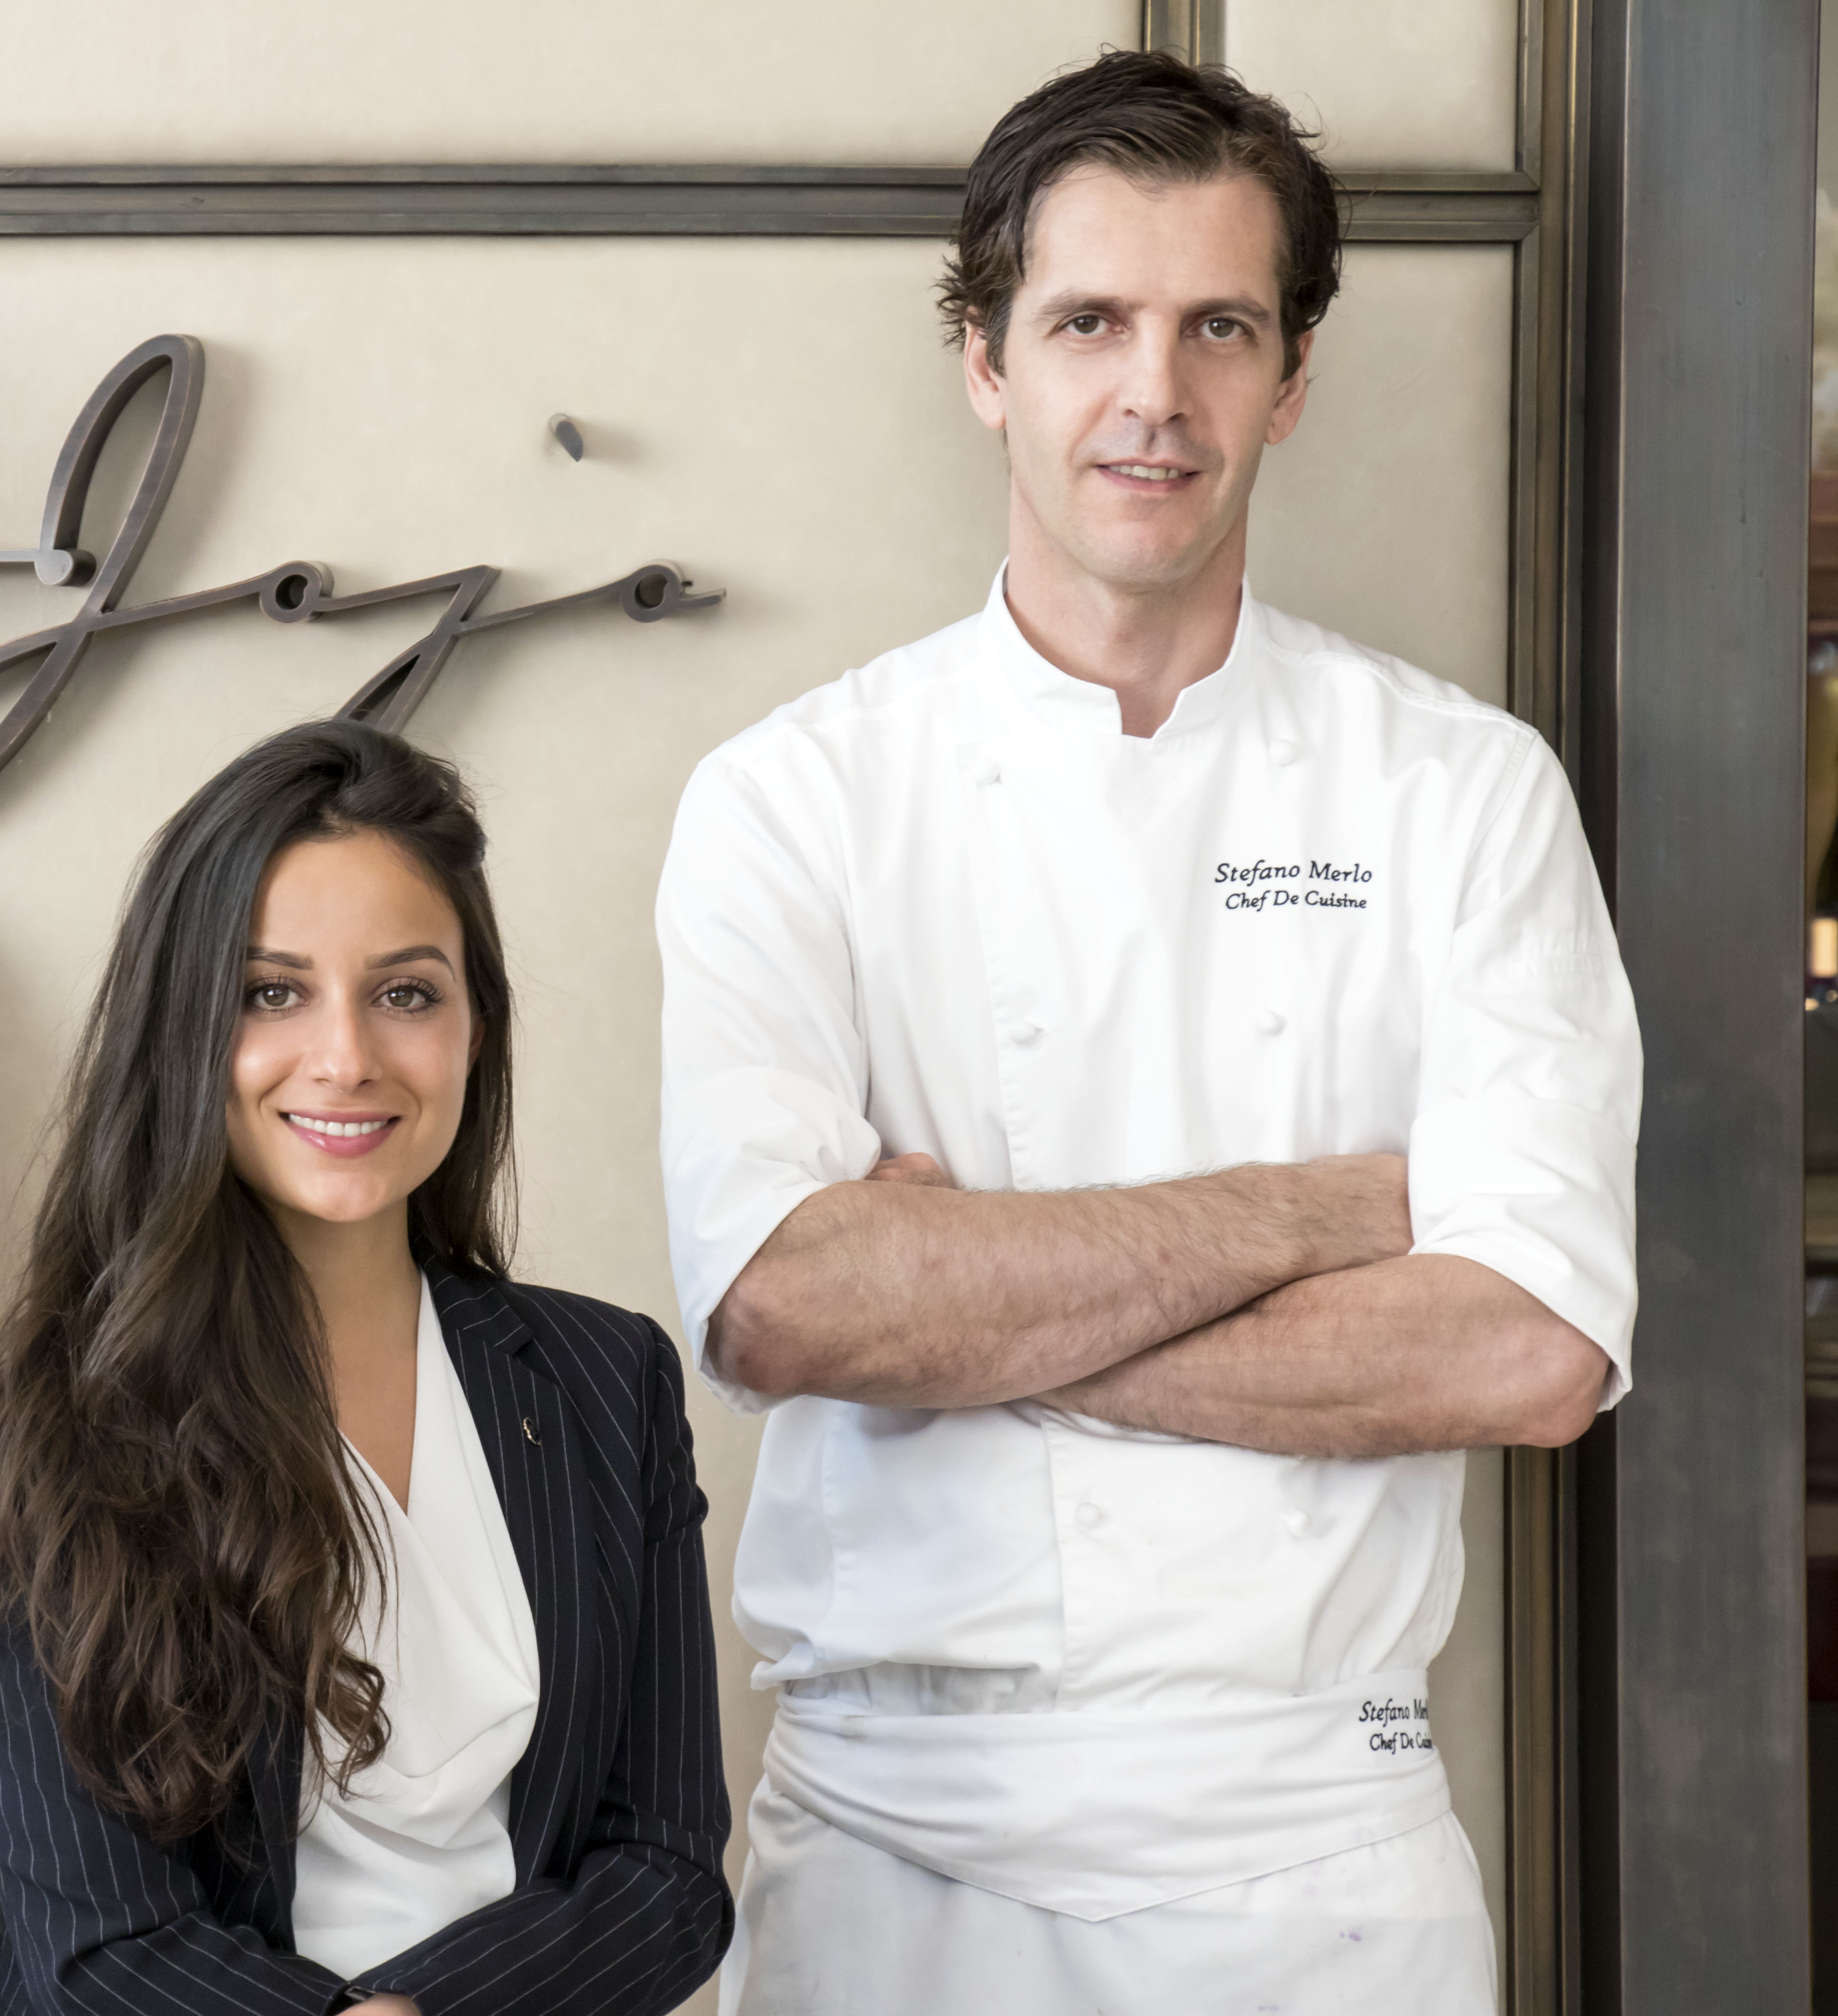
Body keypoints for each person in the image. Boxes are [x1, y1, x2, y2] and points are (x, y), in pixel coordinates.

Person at [657, 52, 1639, 2016]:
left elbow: (1529, 1349)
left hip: (1321, 1841)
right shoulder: (795, 799)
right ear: (985, 360)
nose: (1154, 395)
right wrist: (1325, 1213)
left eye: (1219, 329)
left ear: (1294, 378)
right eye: (1090, 321)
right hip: (897, 1836)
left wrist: (968, 1306)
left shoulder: (1463, 791)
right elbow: (784, 1310)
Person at [0, 721, 730, 2016]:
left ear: (477, 1028)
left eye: (406, 993)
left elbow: (670, 1871)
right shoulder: (55, 1421)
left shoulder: (608, 1378)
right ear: (183, 1027)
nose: (347, 1055)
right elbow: (97, 1949)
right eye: (272, 992)